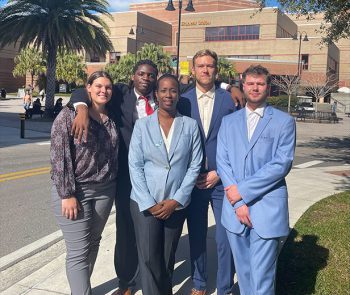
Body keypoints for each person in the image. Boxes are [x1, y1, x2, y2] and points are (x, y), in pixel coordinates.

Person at [70, 59, 159, 295]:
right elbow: (84, 89)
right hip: (126, 177)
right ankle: (127, 282)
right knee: (126, 229)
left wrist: (228, 88)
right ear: (133, 76)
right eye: (141, 73)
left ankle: (157, 277)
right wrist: (81, 107)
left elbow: (193, 91)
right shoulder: (120, 93)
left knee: (155, 229)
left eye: (151, 75)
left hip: (158, 177)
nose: (146, 78)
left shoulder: (163, 96)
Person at [216, 65, 296, 295]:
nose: (254, 88)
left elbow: (281, 164)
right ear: (243, 85)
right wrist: (238, 203)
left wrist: (242, 192)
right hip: (234, 211)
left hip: (267, 209)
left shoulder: (284, 122)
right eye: (250, 83)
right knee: (245, 275)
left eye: (260, 84)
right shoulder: (228, 122)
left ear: (268, 88)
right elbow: (223, 161)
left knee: (262, 278)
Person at [128, 74, 202, 295]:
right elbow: (135, 165)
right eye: (163, 90)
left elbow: (195, 165)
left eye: (173, 90)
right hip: (144, 203)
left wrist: (176, 200)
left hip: (175, 204)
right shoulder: (142, 126)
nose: (168, 95)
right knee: (149, 258)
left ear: (178, 95)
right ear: (156, 95)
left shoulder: (190, 126)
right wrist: (148, 202)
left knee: (167, 258)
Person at [50, 71, 119, 295]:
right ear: (88, 88)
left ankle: (81, 289)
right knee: (78, 251)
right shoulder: (68, 115)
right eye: (98, 86)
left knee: (94, 242)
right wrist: (67, 194)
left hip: (105, 190)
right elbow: (59, 157)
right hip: (76, 191)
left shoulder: (113, 114)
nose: (103, 91)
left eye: (108, 87)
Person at [178, 49, 236, 295]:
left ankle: (223, 286)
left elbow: (235, 142)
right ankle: (199, 284)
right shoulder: (182, 100)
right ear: (193, 70)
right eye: (200, 66)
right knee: (197, 237)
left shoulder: (228, 100)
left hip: (221, 182)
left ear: (216, 69)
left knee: (225, 239)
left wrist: (219, 173)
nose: (205, 70)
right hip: (192, 182)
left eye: (210, 65)